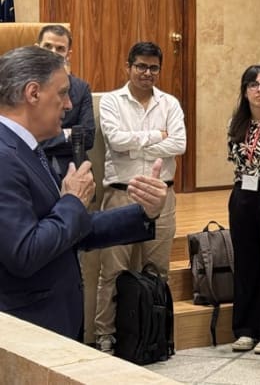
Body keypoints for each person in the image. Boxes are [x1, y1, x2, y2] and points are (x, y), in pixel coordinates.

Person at [0, 46, 167, 340]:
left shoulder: (27, 149)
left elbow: (72, 230)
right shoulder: (4, 156)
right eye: (63, 93)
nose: (68, 105)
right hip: (28, 330)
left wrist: (143, 212)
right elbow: (25, 252)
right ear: (33, 93)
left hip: (51, 324)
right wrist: (72, 202)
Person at [94, 41, 187, 353]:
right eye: (141, 66)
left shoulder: (170, 104)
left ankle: (156, 334)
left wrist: (138, 142)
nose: (147, 73)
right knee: (113, 271)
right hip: (122, 195)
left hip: (162, 197)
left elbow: (179, 144)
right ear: (128, 67)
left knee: (158, 269)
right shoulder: (111, 102)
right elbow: (117, 142)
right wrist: (156, 137)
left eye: (153, 68)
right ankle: (106, 335)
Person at [226, 65, 260, 355]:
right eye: (253, 84)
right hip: (242, 195)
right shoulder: (236, 124)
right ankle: (244, 329)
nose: (259, 89)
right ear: (245, 91)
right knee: (246, 263)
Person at [35, 24, 95, 177]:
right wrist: (68, 134)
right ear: (37, 48)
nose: (53, 53)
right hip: (33, 170)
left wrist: (40, 140)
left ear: (68, 54)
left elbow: (87, 138)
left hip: (74, 170)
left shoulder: (81, 88)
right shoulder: (21, 86)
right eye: (47, 46)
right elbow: (22, 137)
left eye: (60, 48)